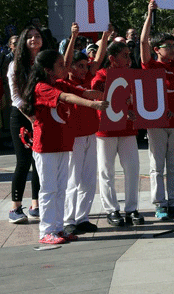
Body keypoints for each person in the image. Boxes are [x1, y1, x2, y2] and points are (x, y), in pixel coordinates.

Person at [20, 50, 107, 244]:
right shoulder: (42, 87)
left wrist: (93, 94)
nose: (65, 68)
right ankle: (46, 231)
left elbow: (79, 91)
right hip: (45, 147)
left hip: (61, 144)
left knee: (60, 188)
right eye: (60, 65)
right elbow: (67, 98)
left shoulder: (57, 83)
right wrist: (92, 105)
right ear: (48, 70)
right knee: (49, 190)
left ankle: (58, 229)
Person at [140, 0, 174, 220]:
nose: (173, 50)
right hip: (156, 120)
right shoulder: (151, 64)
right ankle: (159, 204)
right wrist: (148, 15)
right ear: (157, 50)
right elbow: (143, 42)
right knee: (157, 165)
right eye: (168, 47)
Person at [61, 24, 110, 235]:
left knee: (89, 179)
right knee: (73, 179)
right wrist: (73, 36)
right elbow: (64, 62)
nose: (83, 69)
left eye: (84, 65)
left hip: (91, 133)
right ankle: (68, 219)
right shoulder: (64, 82)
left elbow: (97, 59)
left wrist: (105, 36)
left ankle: (82, 217)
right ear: (70, 68)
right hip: (74, 137)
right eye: (78, 66)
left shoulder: (88, 78)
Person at [93, 41, 141, 226]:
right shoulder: (100, 76)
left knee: (132, 168)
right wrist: (122, 105)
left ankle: (132, 208)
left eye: (129, 55)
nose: (129, 59)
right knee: (107, 171)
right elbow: (99, 101)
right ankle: (111, 209)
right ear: (112, 58)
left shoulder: (132, 75)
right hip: (106, 130)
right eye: (125, 55)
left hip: (128, 128)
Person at [7, 26, 45, 224]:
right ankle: (15, 207)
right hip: (21, 116)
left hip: (41, 115)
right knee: (23, 161)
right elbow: (15, 97)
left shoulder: (44, 63)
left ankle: (36, 204)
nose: (33, 39)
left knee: (38, 161)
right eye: (29, 37)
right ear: (23, 41)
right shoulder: (15, 65)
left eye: (37, 36)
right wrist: (30, 116)